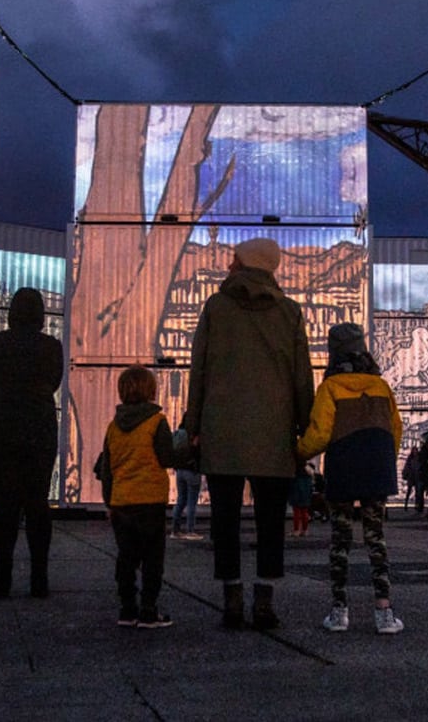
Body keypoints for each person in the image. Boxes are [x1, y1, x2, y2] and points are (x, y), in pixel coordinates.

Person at [186, 237, 314, 630]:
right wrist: (303, 433)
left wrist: (194, 426)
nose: (228, 264)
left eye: (233, 259)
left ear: (244, 264)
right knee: (270, 520)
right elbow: (301, 380)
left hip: (221, 430)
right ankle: (263, 602)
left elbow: (199, 371)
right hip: (273, 434)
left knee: (224, 519)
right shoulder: (290, 313)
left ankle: (231, 601)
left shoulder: (216, 307)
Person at [297, 322, 404, 634]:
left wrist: (299, 452)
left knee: (340, 540)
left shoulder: (330, 387)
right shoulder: (381, 387)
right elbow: (395, 429)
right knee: (376, 538)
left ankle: (339, 611)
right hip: (376, 465)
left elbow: (319, 434)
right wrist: (384, 457)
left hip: (343, 465)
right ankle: (384, 612)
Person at [0, 287, 63, 598]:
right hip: (39, 425)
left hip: (2, 424)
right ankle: (39, 578)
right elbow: (54, 382)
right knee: (38, 502)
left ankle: (2, 578)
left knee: (5, 503)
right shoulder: (51, 347)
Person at [100, 365, 184, 628]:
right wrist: (189, 450)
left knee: (126, 557)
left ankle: (127, 609)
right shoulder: (156, 422)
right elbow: (166, 457)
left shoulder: (114, 427)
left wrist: (109, 503)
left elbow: (107, 470)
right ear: (151, 390)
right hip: (150, 501)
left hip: (122, 502)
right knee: (152, 559)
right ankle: (148, 610)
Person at [171, 417, 204, 540]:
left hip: (179, 470)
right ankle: (190, 530)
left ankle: (175, 530)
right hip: (192, 470)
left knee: (181, 500)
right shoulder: (194, 435)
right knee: (191, 502)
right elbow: (196, 451)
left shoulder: (179, 433)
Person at [288, 462, 314, 537]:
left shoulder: (295, 472)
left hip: (297, 492)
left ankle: (296, 530)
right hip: (306, 494)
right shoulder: (309, 472)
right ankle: (305, 530)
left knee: (296, 512)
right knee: (304, 512)